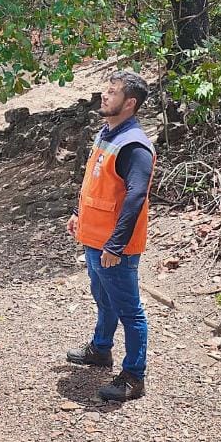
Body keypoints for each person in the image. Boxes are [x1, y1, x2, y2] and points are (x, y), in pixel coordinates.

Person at [65, 71, 156, 402]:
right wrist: (78, 213)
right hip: (95, 240)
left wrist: (116, 245)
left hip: (115, 248)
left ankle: (134, 376)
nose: (105, 95)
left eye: (113, 92)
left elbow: (135, 198)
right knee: (104, 299)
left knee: (130, 311)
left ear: (129, 103)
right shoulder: (108, 134)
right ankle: (101, 349)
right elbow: (94, 181)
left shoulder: (135, 146)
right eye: (106, 90)